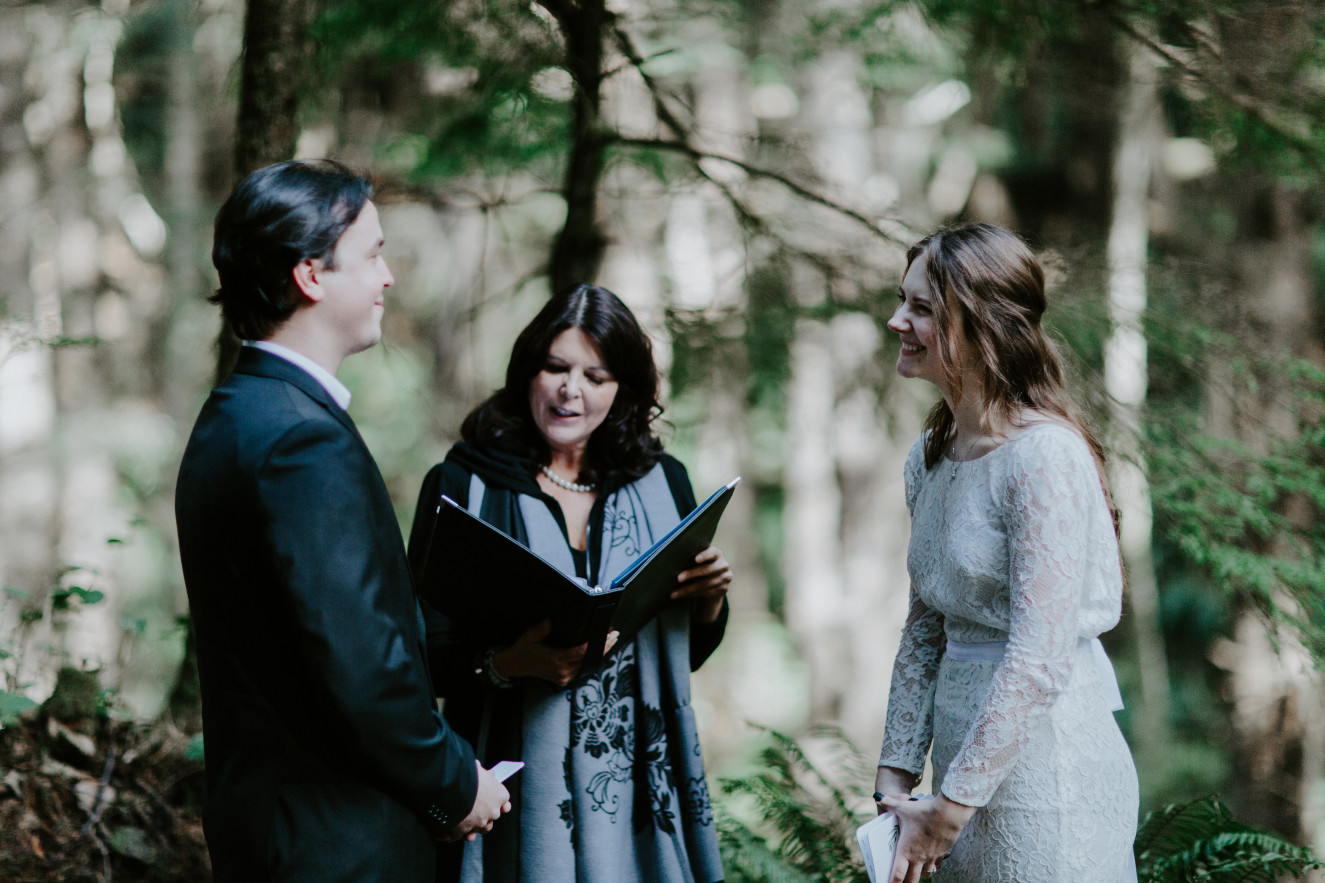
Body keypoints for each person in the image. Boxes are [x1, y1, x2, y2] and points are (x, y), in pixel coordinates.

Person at [175, 159, 510, 882]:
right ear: (310, 276)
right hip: (336, 841)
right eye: (373, 254)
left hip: (277, 827)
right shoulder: (300, 440)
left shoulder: (235, 413)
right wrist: (457, 780)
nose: (388, 277)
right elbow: (360, 663)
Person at [406, 283, 731, 883]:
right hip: (506, 784)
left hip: (636, 785)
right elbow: (415, 652)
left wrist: (708, 602)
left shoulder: (664, 484)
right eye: (554, 367)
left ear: (624, 392)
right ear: (526, 371)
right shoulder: (464, 484)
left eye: (596, 376)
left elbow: (683, 655)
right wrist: (507, 663)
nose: (570, 390)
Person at [873, 223, 1138, 883]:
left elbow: (1037, 658)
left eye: (921, 308)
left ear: (980, 325)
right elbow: (924, 625)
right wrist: (895, 780)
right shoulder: (929, 458)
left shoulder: (1043, 456)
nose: (895, 319)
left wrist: (952, 803)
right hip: (956, 772)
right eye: (901, 300)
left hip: (1047, 772)